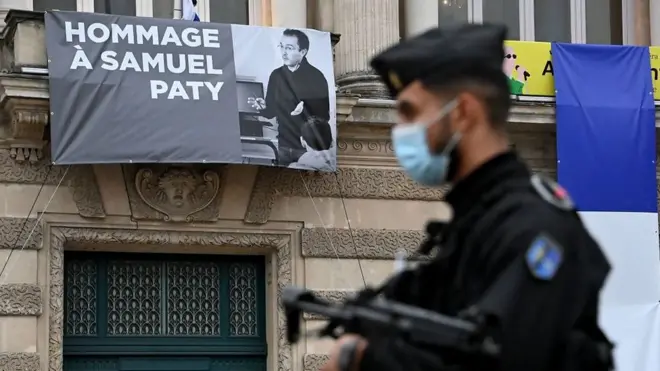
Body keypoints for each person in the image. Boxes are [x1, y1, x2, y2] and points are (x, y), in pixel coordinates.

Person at [320, 23, 614, 371]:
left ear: (462, 113)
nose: (399, 131)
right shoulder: (471, 226)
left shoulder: (533, 229)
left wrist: (362, 359)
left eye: (411, 112)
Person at [248, 29, 330, 167]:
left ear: (303, 52)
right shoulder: (276, 75)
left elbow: (324, 117)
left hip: (308, 147)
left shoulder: (316, 77)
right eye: (282, 47)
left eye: (289, 48)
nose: (284, 52)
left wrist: (305, 110)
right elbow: (271, 112)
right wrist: (263, 108)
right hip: (283, 144)